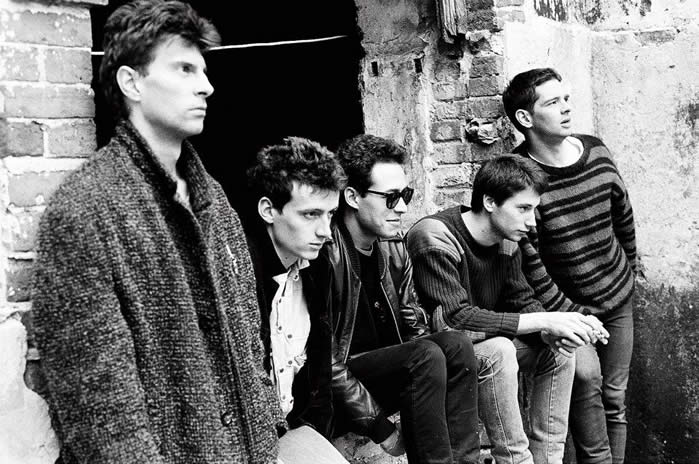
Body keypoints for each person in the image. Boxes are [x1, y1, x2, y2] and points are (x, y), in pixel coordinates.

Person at [31, 1, 284, 462]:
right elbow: (104, 415)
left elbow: (250, 341)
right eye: (184, 69)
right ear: (132, 82)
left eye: (202, 70)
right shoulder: (84, 211)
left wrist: (268, 436)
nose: (206, 86)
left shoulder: (215, 200)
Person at [406, 156, 610, 464]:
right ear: (490, 202)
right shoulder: (435, 235)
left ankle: (548, 460)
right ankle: (516, 460)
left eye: (534, 209)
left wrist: (553, 331)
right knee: (500, 350)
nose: (532, 221)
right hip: (438, 355)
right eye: (523, 208)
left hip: (480, 347)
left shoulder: (507, 241)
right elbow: (452, 320)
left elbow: (521, 300)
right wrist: (545, 319)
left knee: (559, 350)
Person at [314, 134, 480, 464]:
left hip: (386, 376)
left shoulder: (393, 247)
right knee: (425, 355)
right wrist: (382, 428)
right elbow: (322, 358)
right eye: (391, 197)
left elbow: (413, 325)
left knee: (455, 345)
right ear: (353, 196)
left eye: (405, 195)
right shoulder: (325, 253)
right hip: (336, 393)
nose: (402, 207)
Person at [503, 68, 637, 464]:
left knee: (615, 399)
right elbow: (530, 262)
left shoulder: (595, 150)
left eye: (566, 99)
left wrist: (629, 271)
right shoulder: (520, 176)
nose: (565, 109)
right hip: (565, 312)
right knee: (587, 387)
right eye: (552, 102)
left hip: (617, 298)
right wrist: (572, 316)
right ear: (525, 118)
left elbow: (623, 216)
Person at [245, 137, 349, 464]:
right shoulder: (240, 272)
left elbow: (320, 374)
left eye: (330, 214)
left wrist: (314, 436)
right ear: (268, 210)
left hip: (295, 430)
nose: (326, 231)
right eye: (310, 215)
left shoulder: (318, 268)